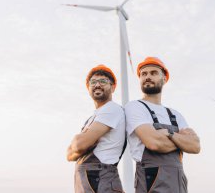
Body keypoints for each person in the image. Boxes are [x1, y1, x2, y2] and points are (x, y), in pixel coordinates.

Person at [125, 57, 200, 193]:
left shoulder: (175, 114)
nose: (147, 76)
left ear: (164, 78)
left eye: (153, 73)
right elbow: (154, 143)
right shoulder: (134, 107)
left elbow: (195, 146)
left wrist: (169, 134)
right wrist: (180, 140)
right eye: (144, 74)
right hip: (151, 181)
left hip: (178, 183)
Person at [67, 64, 126, 193]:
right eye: (93, 82)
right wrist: (79, 141)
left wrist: (79, 140)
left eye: (103, 81)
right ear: (88, 88)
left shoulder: (112, 110)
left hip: (100, 180)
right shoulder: (93, 117)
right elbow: (69, 155)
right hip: (89, 181)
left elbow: (78, 146)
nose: (97, 85)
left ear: (113, 87)